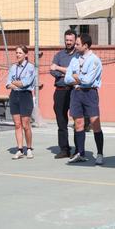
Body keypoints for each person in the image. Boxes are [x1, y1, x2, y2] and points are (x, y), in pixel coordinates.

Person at [65, 33, 104, 165]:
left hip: (90, 93)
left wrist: (76, 77)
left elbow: (88, 81)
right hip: (76, 93)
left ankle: (99, 153)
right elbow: (66, 78)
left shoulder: (94, 60)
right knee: (78, 123)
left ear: (85, 46)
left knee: (95, 123)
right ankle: (80, 153)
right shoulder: (74, 59)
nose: (75, 46)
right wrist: (76, 78)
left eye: (77, 44)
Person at [50, 29, 78, 159]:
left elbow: (76, 73)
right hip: (60, 91)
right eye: (67, 40)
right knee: (61, 121)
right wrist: (67, 73)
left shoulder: (78, 55)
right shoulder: (59, 55)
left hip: (74, 91)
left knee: (78, 120)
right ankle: (64, 149)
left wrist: (60, 70)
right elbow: (52, 70)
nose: (68, 42)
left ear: (75, 40)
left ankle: (78, 149)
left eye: (71, 40)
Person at [6, 45, 36, 160]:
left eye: (20, 53)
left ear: (26, 54)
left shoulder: (30, 67)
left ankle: (28, 148)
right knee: (17, 124)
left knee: (25, 124)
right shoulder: (13, 67)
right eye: (16, 53)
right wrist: (15, 83)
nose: (18, 55)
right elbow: (8, 84)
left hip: (25, 96)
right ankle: (20, 149)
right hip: (14, 96)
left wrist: (15, 82)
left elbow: (26, 83)